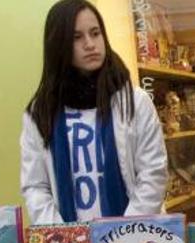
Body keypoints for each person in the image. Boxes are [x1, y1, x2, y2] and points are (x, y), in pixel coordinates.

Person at [21, 0, 168, 225]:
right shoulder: (40, 112)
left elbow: (152, 175)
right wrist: (64, 238)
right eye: (76, 37)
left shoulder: (134, 101)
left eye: (95, 33)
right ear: (58, 44)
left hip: (131, 240)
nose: (90, 44)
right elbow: (35, 186)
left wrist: (123, 233)